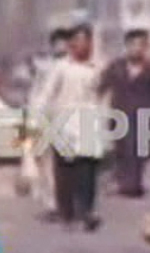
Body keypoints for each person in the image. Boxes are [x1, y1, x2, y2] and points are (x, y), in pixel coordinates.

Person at [36, 24, 103, 231]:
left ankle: (86, 212)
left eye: (85, 40)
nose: (81, 45)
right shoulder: (61, 68)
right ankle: (66, 213)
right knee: (65, 172)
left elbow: (104, 97)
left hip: (89, 124)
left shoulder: (97, 68)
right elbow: (46, 95)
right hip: (64, 125)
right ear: (72, 44)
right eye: (77, 41)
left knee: (88, 172)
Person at [98, 29, 150, 198]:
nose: (137, 49)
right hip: (119, 115)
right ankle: (125, 181)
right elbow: (101, 87)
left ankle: (133, 183)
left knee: (139, 151)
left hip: (142, 117)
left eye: (141, 45)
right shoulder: (115, 67)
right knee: (122, 149)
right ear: (127, 46)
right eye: (134, 45)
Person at [28, 28, 70, 222]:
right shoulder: (44, 65)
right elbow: (37, 93)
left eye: (64, 42)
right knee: (44, 164)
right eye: (57, 43)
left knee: (62, 165)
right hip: (43, 118)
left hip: (65, 120)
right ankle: (50, 203)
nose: (60, 46)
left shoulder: (72, 66)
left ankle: (62, 204)